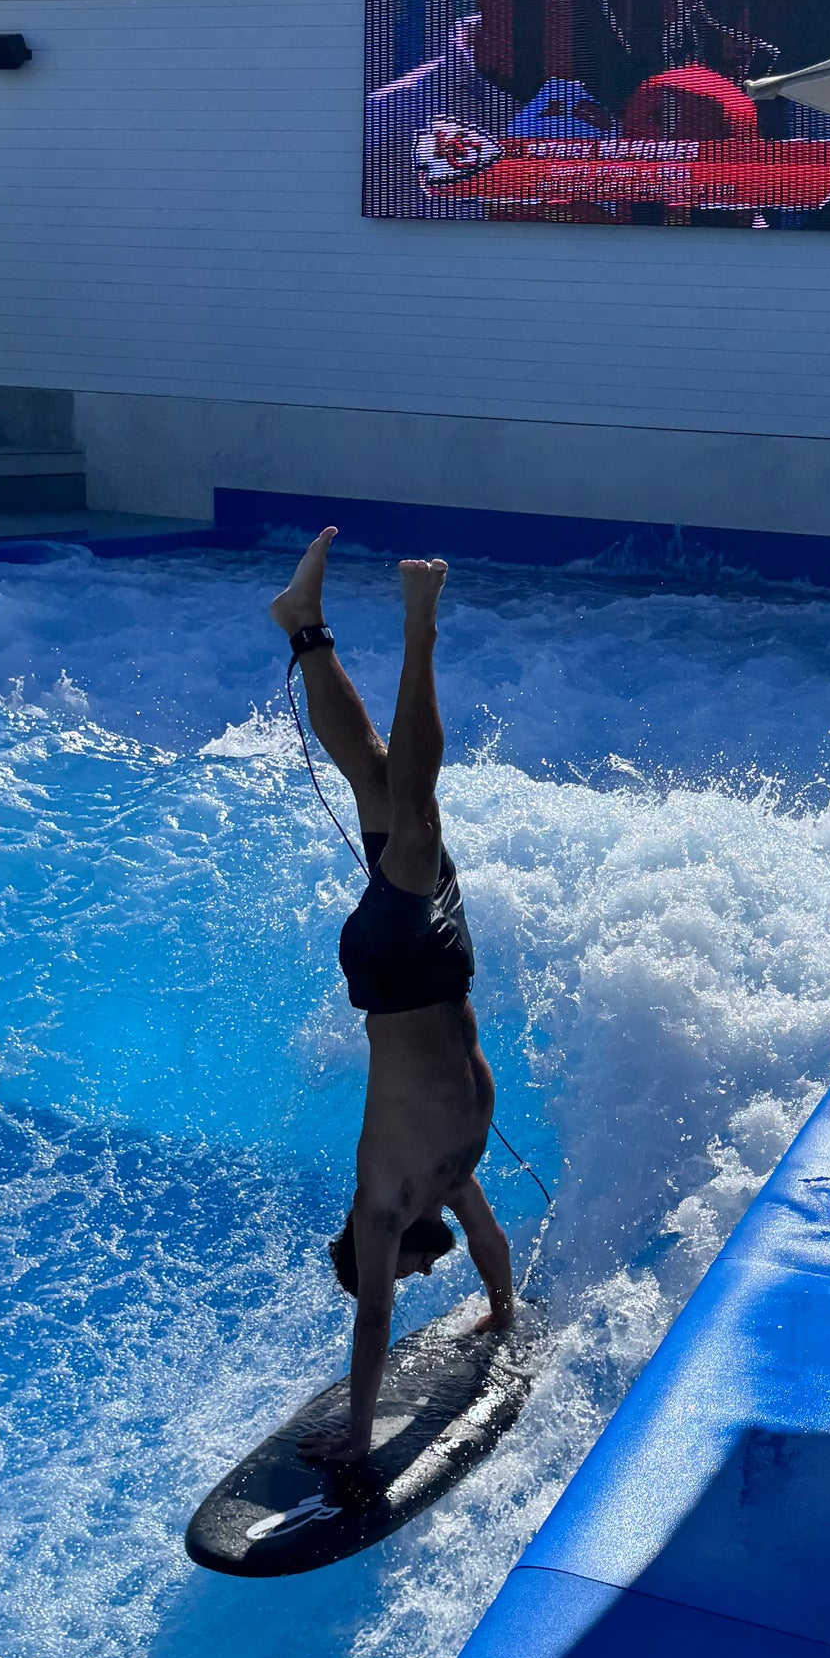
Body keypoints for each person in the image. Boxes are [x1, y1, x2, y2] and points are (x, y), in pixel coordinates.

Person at [268, 530, 515, 1476]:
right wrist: (500, 1308)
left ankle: (420, 627)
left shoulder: (383, 1204)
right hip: (440, 964)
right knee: (379, 779)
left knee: (411, 814)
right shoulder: (449, 1182)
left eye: (416, 1272)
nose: (420, 1275)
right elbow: (488, 1242)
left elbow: (373, 1318)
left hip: (397, 971)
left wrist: (360, 1431)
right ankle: (304, 627)